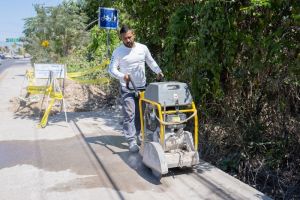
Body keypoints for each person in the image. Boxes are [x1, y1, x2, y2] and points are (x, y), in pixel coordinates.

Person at [108, 25, 164, 153]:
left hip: (142, 87)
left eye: (129, 37)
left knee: (141, 114)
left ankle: (138, 135)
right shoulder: (118, 52)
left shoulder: (142, 48)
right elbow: (111, 69)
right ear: (121, 38)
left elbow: (150, 61)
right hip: (127, 88)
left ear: (134, 34)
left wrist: (158, 71)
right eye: (124, 38)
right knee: (129, 114)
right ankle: (131, 140)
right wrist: (123, 76)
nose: (127, 40)